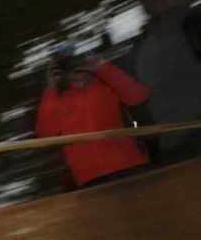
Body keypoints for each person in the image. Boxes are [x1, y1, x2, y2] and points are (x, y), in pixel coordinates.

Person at [34, 45, 152, 189]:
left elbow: (139, 97)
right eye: (69, 63)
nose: (76, 65)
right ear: (61, 69)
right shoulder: (57, 100)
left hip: (130, 164)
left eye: (79, 59)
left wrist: (102, 67)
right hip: (90, 177)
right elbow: (46, 134)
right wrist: (50, 89)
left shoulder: (108, 85)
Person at [125, 0, 201, 163]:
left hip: (194, 121)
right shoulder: (143, 43)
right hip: (170, 132)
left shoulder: (182, 22)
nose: (151, 3)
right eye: (145, 0)